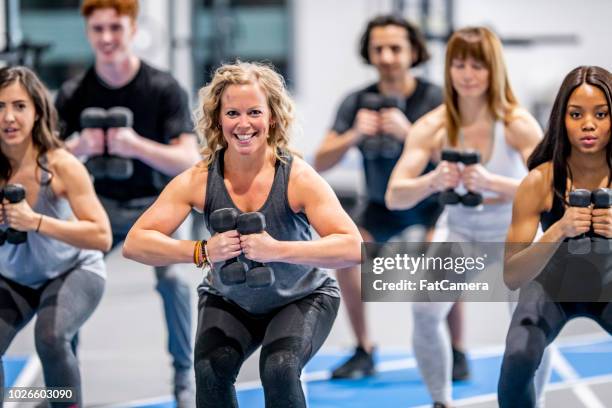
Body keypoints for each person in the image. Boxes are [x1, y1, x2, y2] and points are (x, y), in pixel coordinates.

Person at [122, 61, 362, 408]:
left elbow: (353, 247)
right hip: (230, 299)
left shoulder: (297, 178)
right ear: (218, 120)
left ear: (272, 118)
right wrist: (202, 250)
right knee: (209, 372)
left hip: (302, 297)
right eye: (233, 112)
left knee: (279, 369)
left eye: (254, 112)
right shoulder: (200, 179)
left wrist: (277, 250)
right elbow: (136, 241)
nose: (243, 123)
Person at [385, 27, 545, 408]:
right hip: (460, 231)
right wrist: (432, 180)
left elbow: (549, 190)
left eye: (477, 65)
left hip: (513, 231)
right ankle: (441, 400)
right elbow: (395, 195)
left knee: (531, 325)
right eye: (459, 64)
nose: (467, 74)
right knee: (423, 311)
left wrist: (493, 182)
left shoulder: (516, 124)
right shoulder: (434, 126)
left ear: (494, 70)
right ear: (449, 69)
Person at [54, 0, 200, 402]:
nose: (106, 38)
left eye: (115, 28)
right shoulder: (72, 93)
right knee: (65, 280)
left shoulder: (162, 87)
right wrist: (77, 149)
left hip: (154, 208)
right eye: (98, 29)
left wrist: (135, 145)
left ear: (133, 30)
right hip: (95, 209)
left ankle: (184, 379)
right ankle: (63, 383)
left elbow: (188, 159)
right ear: (88, 32)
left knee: (173, 278)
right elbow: (46, 164)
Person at [313, 14, 465, 380]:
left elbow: (458, 162)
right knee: (345, 253)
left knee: (449, 256)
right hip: (379, 206)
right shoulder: (357, 101)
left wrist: (411, 133)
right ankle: (364, 348)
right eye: (378, 48)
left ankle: (457, 350)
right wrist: (352, 135)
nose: (386, 56)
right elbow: (320, 161)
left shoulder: (436, 99)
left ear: (413, 52)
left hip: (430, 205)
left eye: (395, 48)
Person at [498, 66, 612, 407]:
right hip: (551, 289)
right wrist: (559, 229)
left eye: (601, 114)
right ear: (561, 119)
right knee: (518, 357)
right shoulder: (539, 182)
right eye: (576, 114)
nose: (588, 124)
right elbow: (512, 275)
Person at [0, 66, 111, 406]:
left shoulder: (61, 165)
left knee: (50, 337)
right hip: (16, 276)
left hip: (73, 270)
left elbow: (102, 236)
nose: (9, 117)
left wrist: (35, 222)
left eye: (19, 106)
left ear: (36, 112)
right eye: (0, 106)